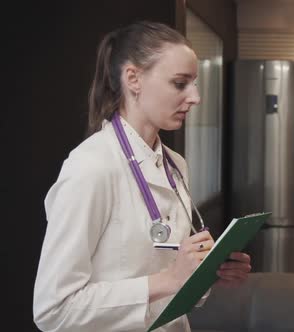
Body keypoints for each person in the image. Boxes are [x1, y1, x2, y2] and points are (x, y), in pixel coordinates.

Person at [33, 21, 251, 332]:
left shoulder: (174, 165)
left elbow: (169, 288)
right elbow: (53, 309)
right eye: (180, 83)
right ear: (133, 78)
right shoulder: (91, 167)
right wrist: (168, 279)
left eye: (195, 83)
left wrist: (206, 273)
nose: (195, 97)